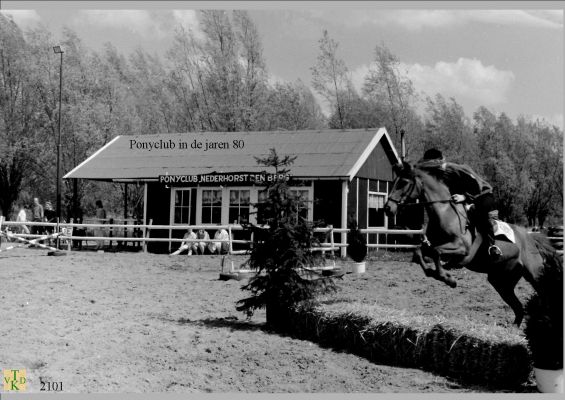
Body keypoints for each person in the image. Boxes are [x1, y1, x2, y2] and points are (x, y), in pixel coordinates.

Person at [418, 148, 503, 259]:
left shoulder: (457, 169)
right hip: (465, 199)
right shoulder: (438, 174)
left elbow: (477, 186)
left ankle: (492, 247)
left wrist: (464, 197)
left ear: (437, 161)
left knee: (478, 213)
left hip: (483, 195)